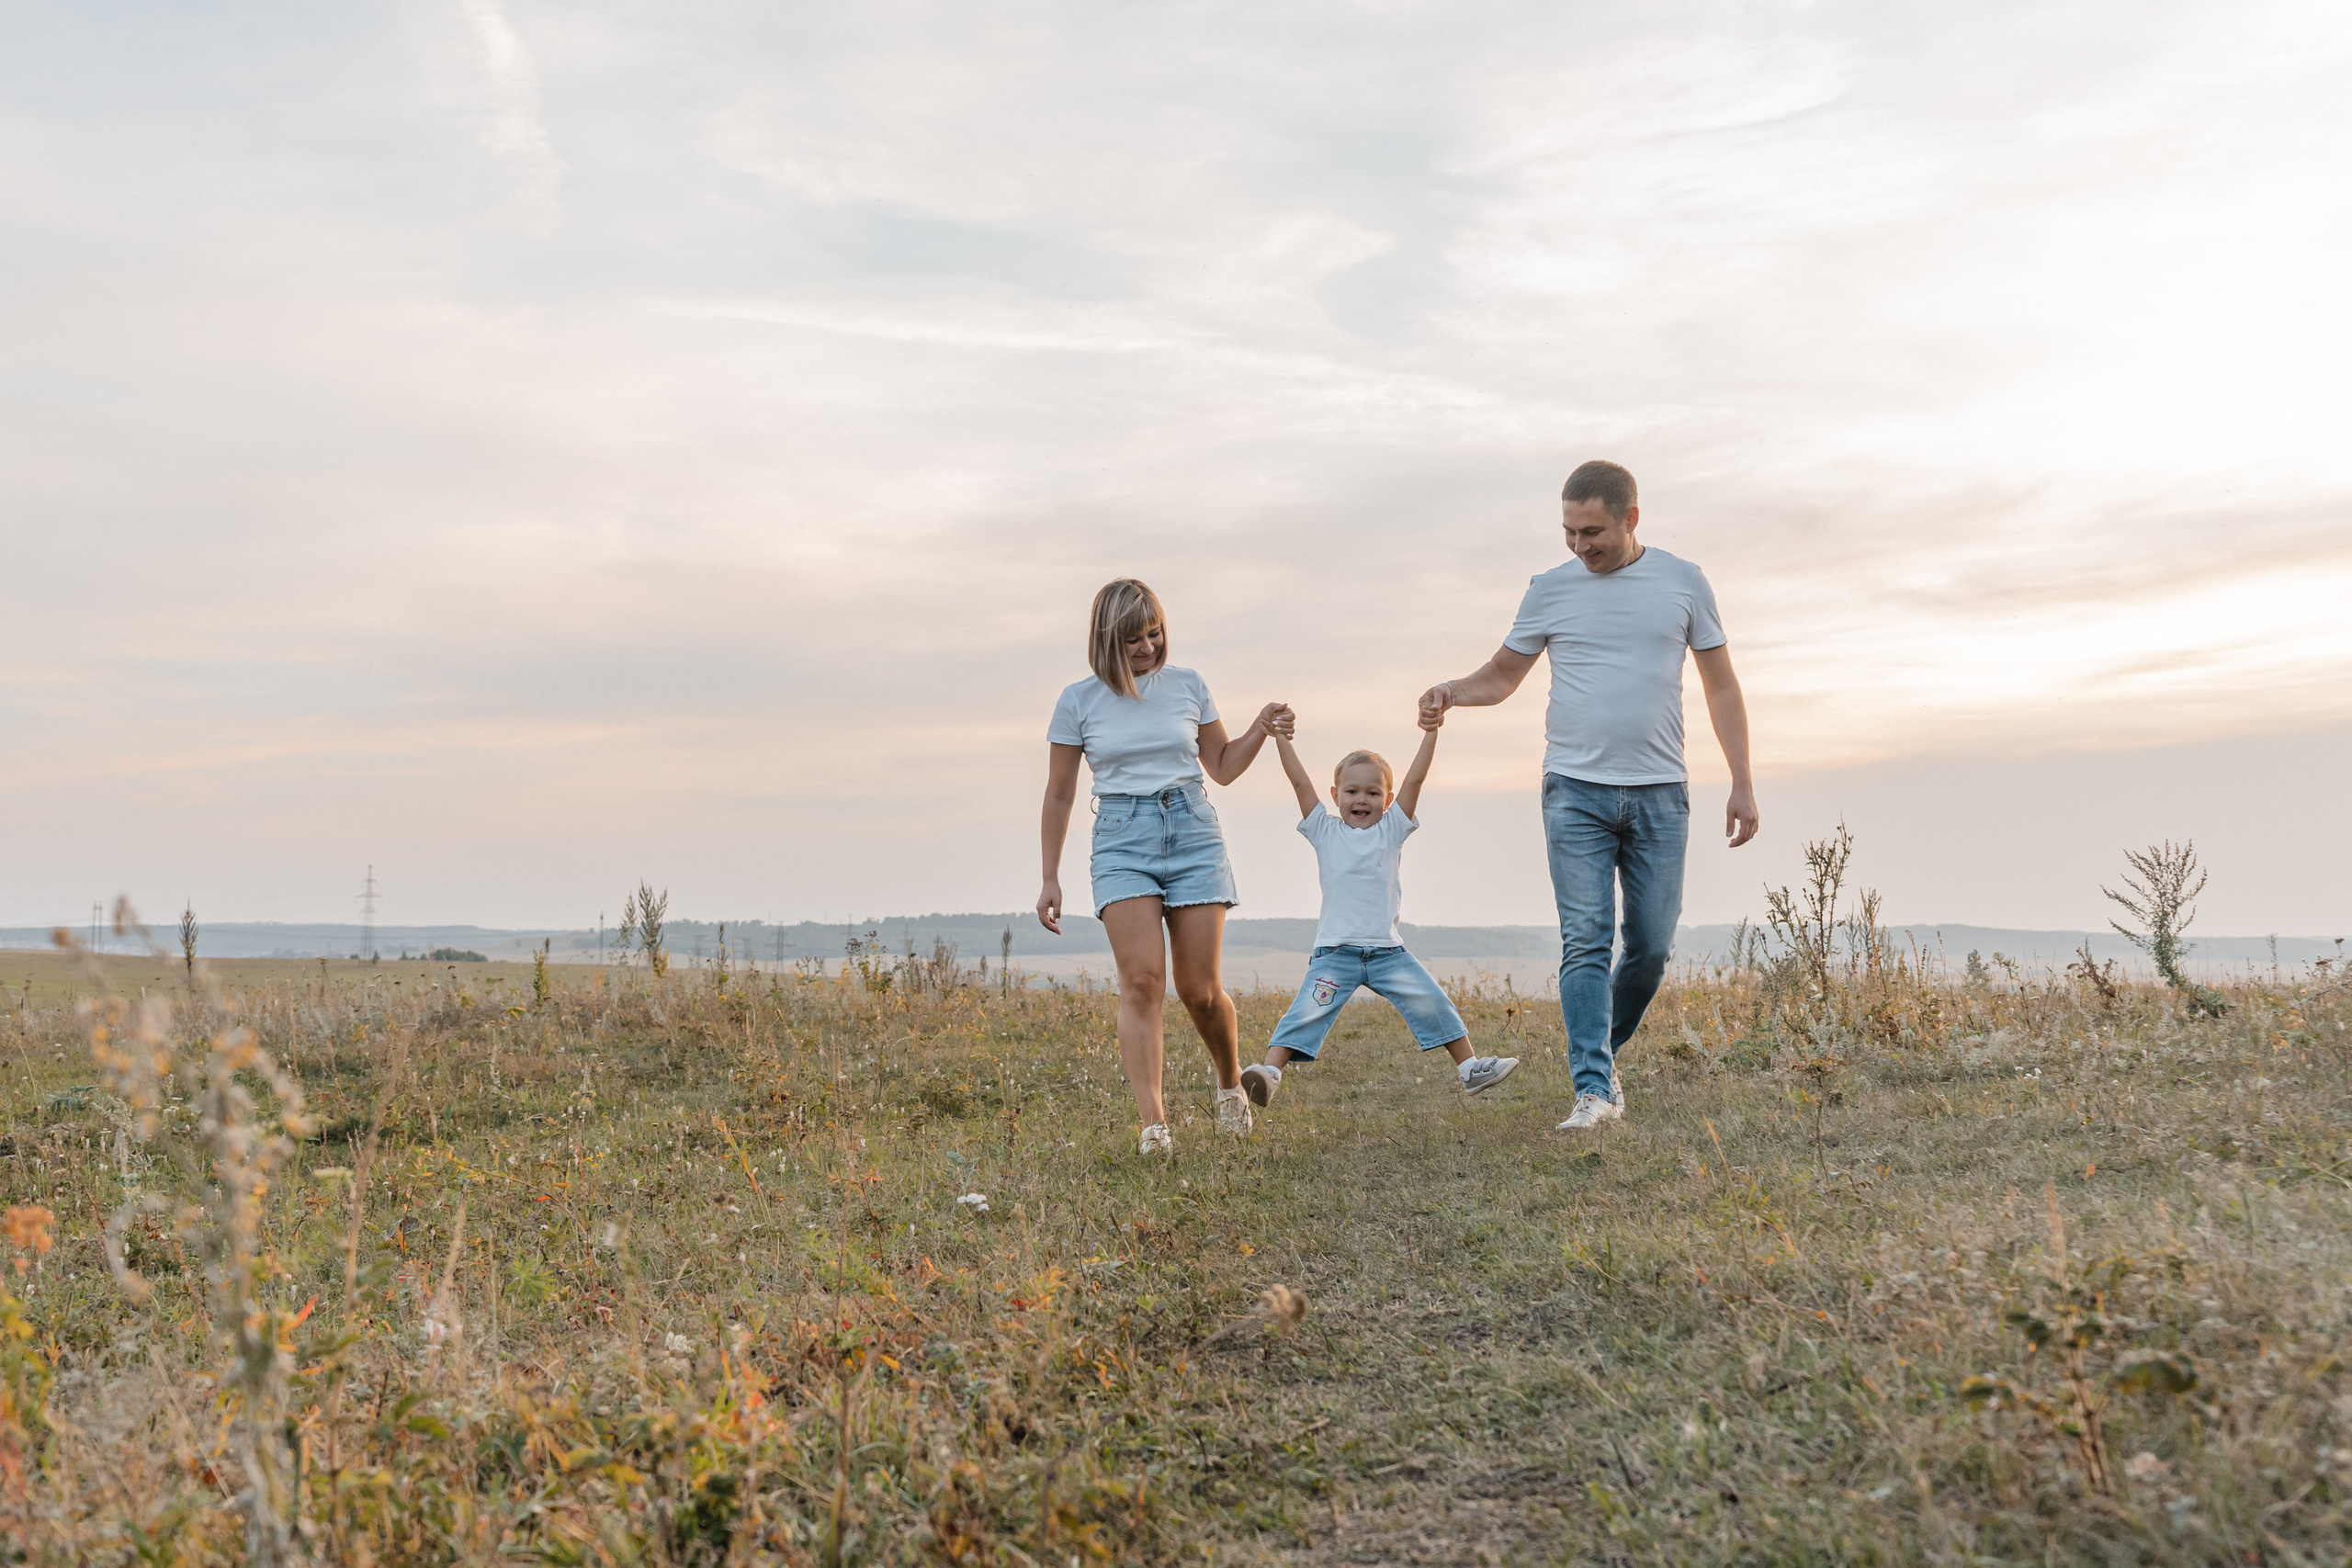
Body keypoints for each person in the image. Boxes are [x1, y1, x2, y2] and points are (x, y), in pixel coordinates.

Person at [1419, 460, 1758, 1133]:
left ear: (1632, 518)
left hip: (1661, 793)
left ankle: (1603, 1049)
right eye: (1569, 531)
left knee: (1651, 945)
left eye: (1593, 531)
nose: (1579, 545)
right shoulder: (1550, 589)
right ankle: (1593, 1090)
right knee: (1585, 939)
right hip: (1574, 791)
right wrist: (1453, 691)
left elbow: (1721, 685)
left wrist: (1741, 781)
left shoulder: (1683, 582)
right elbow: (1503, 674)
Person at [1038, 579, 1291, 1155]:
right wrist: (1050, 876)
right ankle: (1155, 1127)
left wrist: (1260, 727)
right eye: (1134, 639)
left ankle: (1229, 1085)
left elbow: (1222, 767)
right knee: (1143, 981)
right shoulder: (1077, 701)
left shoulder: (1187, 685)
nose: (1149, 647)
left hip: (1193, 831)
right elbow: (1058, 796)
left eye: (1154, 633)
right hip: (1121, 839)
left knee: (1199, 990)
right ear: (1107, 640)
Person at [1238, 711, 1519, 1107]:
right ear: (1334, 795)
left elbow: (1416, 779)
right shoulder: (1324, 830)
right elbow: (1299, 781)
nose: (1361, 800)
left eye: (1373, 793)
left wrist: (1431, 732)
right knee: (1305, 1011)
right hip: (1335, 954)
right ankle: (1269, 1073)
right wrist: (1281, 737)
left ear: (1387, 801)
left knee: (1432, 999)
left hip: (1388, 952)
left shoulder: (1392, 828)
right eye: (1351, 791)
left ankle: (1470, 1068)